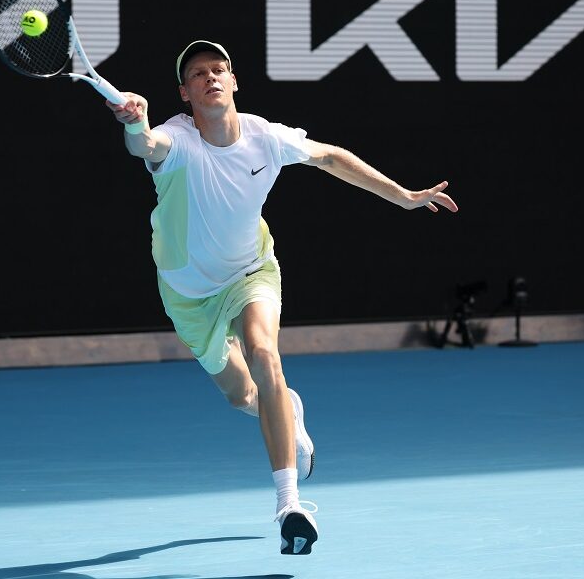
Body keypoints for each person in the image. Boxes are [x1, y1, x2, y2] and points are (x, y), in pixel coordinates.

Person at [105, 40, 458, 556]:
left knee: (264, 352)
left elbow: (330, 157)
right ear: (184, 93)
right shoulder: (177, 139)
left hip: (250, 272)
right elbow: (146, 147)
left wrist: (403, 197)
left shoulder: (265, 137)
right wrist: (136, 123)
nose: (211, 77)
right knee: (242, 396)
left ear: (234, 81)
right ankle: (287, 409)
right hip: (187, 294)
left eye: (219, 69)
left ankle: (289, 504)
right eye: (198, 73)